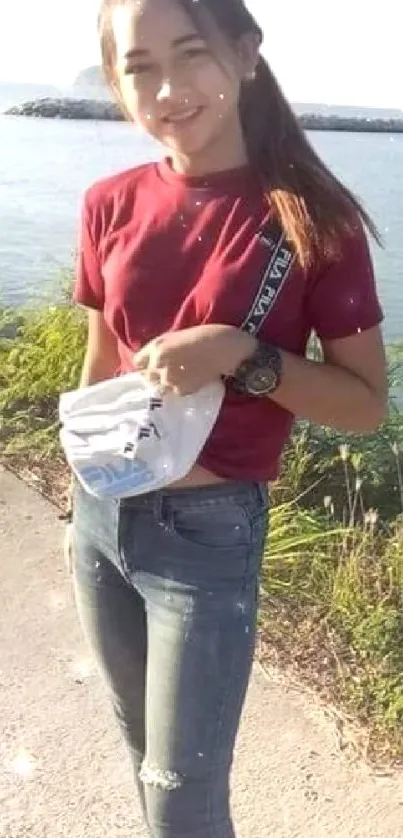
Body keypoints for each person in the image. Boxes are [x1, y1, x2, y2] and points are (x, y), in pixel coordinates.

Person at [66, 0, 387, 835]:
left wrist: (239, 353)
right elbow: (101, 366)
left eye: (191, 54)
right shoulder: (108, 202)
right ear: (115, 83)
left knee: (182, 792)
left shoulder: (312, 221)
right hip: (99, 520)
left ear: (245, 54)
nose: (167, 89)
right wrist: (83, 481)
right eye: (138, 67)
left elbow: (362, 408)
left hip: (205, 540)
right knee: (139, 745)